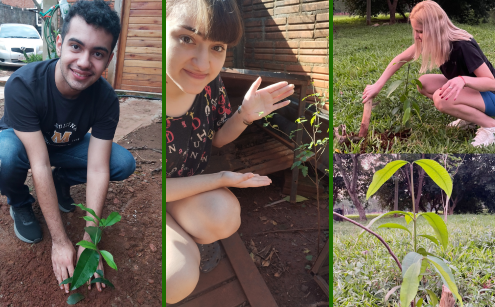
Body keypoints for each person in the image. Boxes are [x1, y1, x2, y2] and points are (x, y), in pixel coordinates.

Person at [0, 0, 135, 294]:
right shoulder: (23, 85)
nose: (85, 62)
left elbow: (99, 167)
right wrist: (60, 241)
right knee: (4, 157)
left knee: (122, 163)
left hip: (64, 145)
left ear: (109, 59)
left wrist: (90, 242)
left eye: (97, 53)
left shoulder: (106, 99)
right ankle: (20, 203)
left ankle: (62, 183)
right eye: (76, 46)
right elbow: (38, 163)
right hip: (24, 143)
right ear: (60, 43)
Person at [165, 0, 295, 303]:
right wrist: (221, 178)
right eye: (187, 39)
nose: (203, 62)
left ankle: (189, 236)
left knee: (225, 215)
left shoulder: (208, 85)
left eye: (217, 47)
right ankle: (179, 239)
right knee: (176, 278)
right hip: (149, 195)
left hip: (182, 190)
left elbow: (218, 138)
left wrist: (245, 115)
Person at [362, 0, 495, 147]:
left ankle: (490, 126)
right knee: (423, 83)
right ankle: (471, 118)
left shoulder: (462, 46)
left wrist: (463, 80)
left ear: (435, 28)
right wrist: (377, 85)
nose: (417, 36)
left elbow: (491, 82)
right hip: (473, 92)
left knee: (441, 99)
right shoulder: (435, 41)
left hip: (490, 95)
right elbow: (400, 59)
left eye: (420, 31)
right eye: (415, 31)